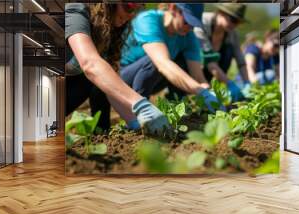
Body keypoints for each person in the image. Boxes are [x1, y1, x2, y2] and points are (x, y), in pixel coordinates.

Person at [65, 3, 170, 134]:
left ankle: (101, 135)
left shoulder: (109, 31)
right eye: (129, 6)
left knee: (103, 77)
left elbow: (110, 86)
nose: (131, 15)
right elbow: (89, 63)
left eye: (136, 10)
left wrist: (135, 123)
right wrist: (141, 105)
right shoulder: (76, 12)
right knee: (96, 72)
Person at [120, 3, 224, 112]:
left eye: (193, 24)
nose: (189, 28)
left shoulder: (188, 35)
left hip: (151, 80)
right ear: (173, 8)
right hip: (123, 78)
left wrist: (208, 93)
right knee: (155, 60)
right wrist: (199, 91)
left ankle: (177, 107)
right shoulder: (147, 20)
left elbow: (198, 76)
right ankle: (140, 109)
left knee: (181, 62)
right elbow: (162, 63)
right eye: (187, 22)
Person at [194, 3, 248, 102]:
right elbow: (208, 60)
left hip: (214, 71)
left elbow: (240, 60)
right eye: (233, 20)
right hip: (195, 69)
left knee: (229, 50)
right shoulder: (201, 23)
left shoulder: (232, 33)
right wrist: (229, 83)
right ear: (221, 13)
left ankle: (211, 90)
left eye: (238, 22)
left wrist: (247, 82)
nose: (235, 25)